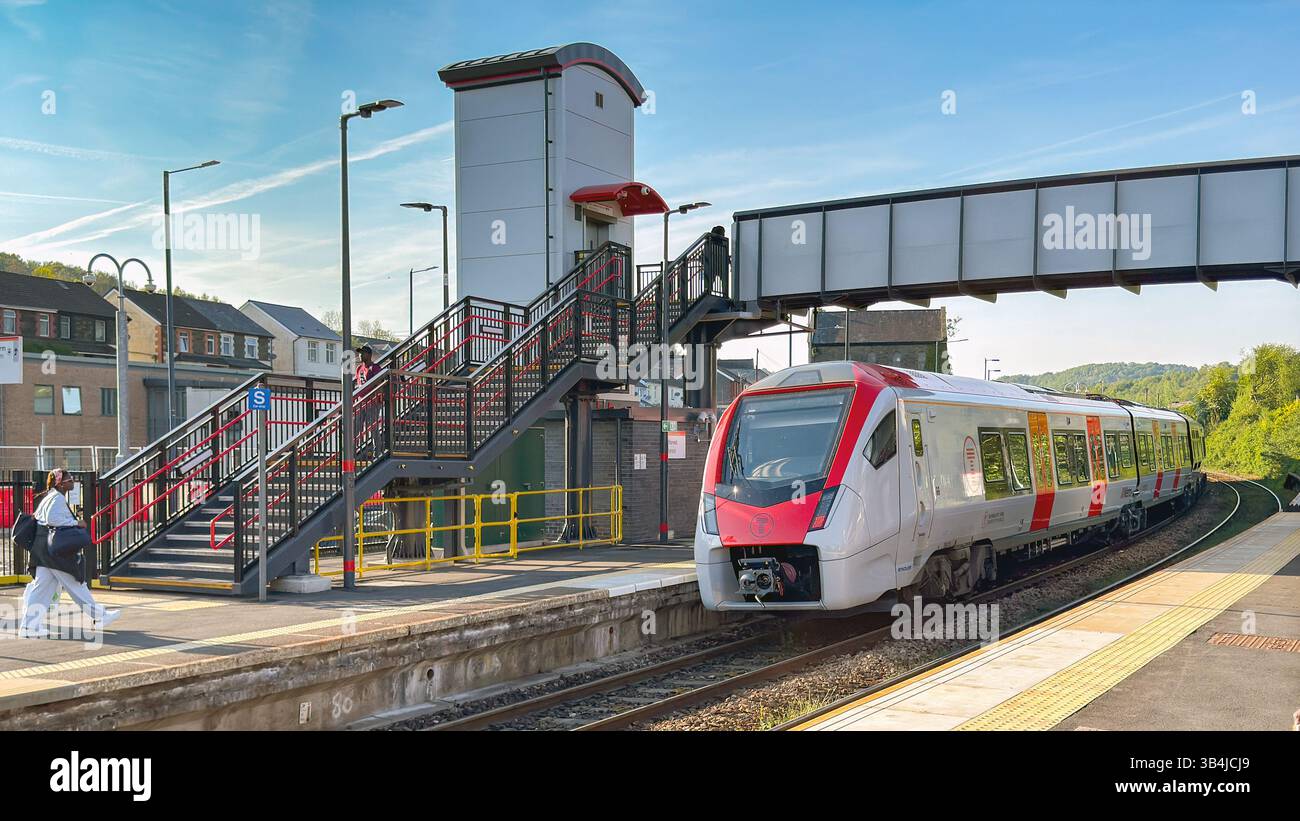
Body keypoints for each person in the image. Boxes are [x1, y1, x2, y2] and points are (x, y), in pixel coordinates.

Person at [19, 469, 121, 638]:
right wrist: (76, 522)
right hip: (54, 552)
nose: (72, 482)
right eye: (69, 479)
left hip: (43, 549)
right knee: (75, 583)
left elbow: (40, 518)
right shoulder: (57, 498)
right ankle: (100, 616)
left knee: (41, 588)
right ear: (60, 483)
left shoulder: (50, 497)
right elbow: (53, 520)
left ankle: (28, 626)